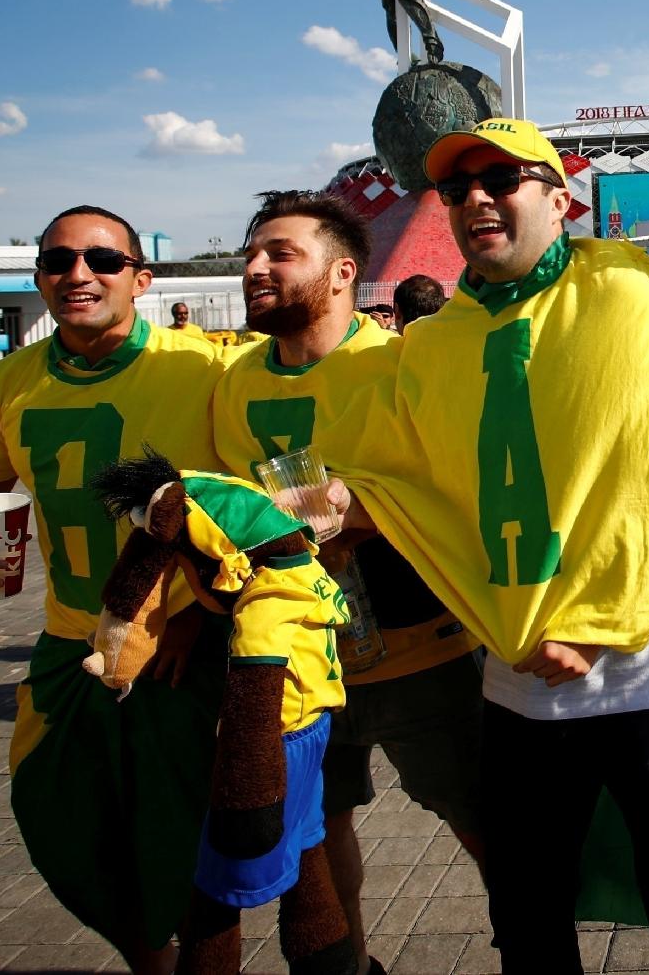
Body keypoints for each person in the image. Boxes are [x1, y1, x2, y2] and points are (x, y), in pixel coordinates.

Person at [359, 117, 649, 974]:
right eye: (458, 189)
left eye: (502, 180)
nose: (476, 200)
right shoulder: (432, 345)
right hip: (517, 692)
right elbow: (411, 490)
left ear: (559, 198)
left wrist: (598, 615)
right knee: (528, 925)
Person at [0, 206, 225, 974]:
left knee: (192, 847)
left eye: (101, 258)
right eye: (58, 262)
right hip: (70, 644)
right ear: (38, 279)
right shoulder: (9, 381)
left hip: (178, 652)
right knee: (76, 831)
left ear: (142, 278)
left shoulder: (207, 369)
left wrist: (204, 614)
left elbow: (260, 506)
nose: (78, 274)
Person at [214, 189, 484, 975]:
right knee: (319, 839)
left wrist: (360, 510)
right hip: (298, 664)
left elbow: (454, 491)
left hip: (420, 653)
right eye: (251, 254)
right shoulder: (233, 383)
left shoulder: (400, 365)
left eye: (279, 254)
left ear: (341, 273)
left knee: (485, 825)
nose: (256, 268)